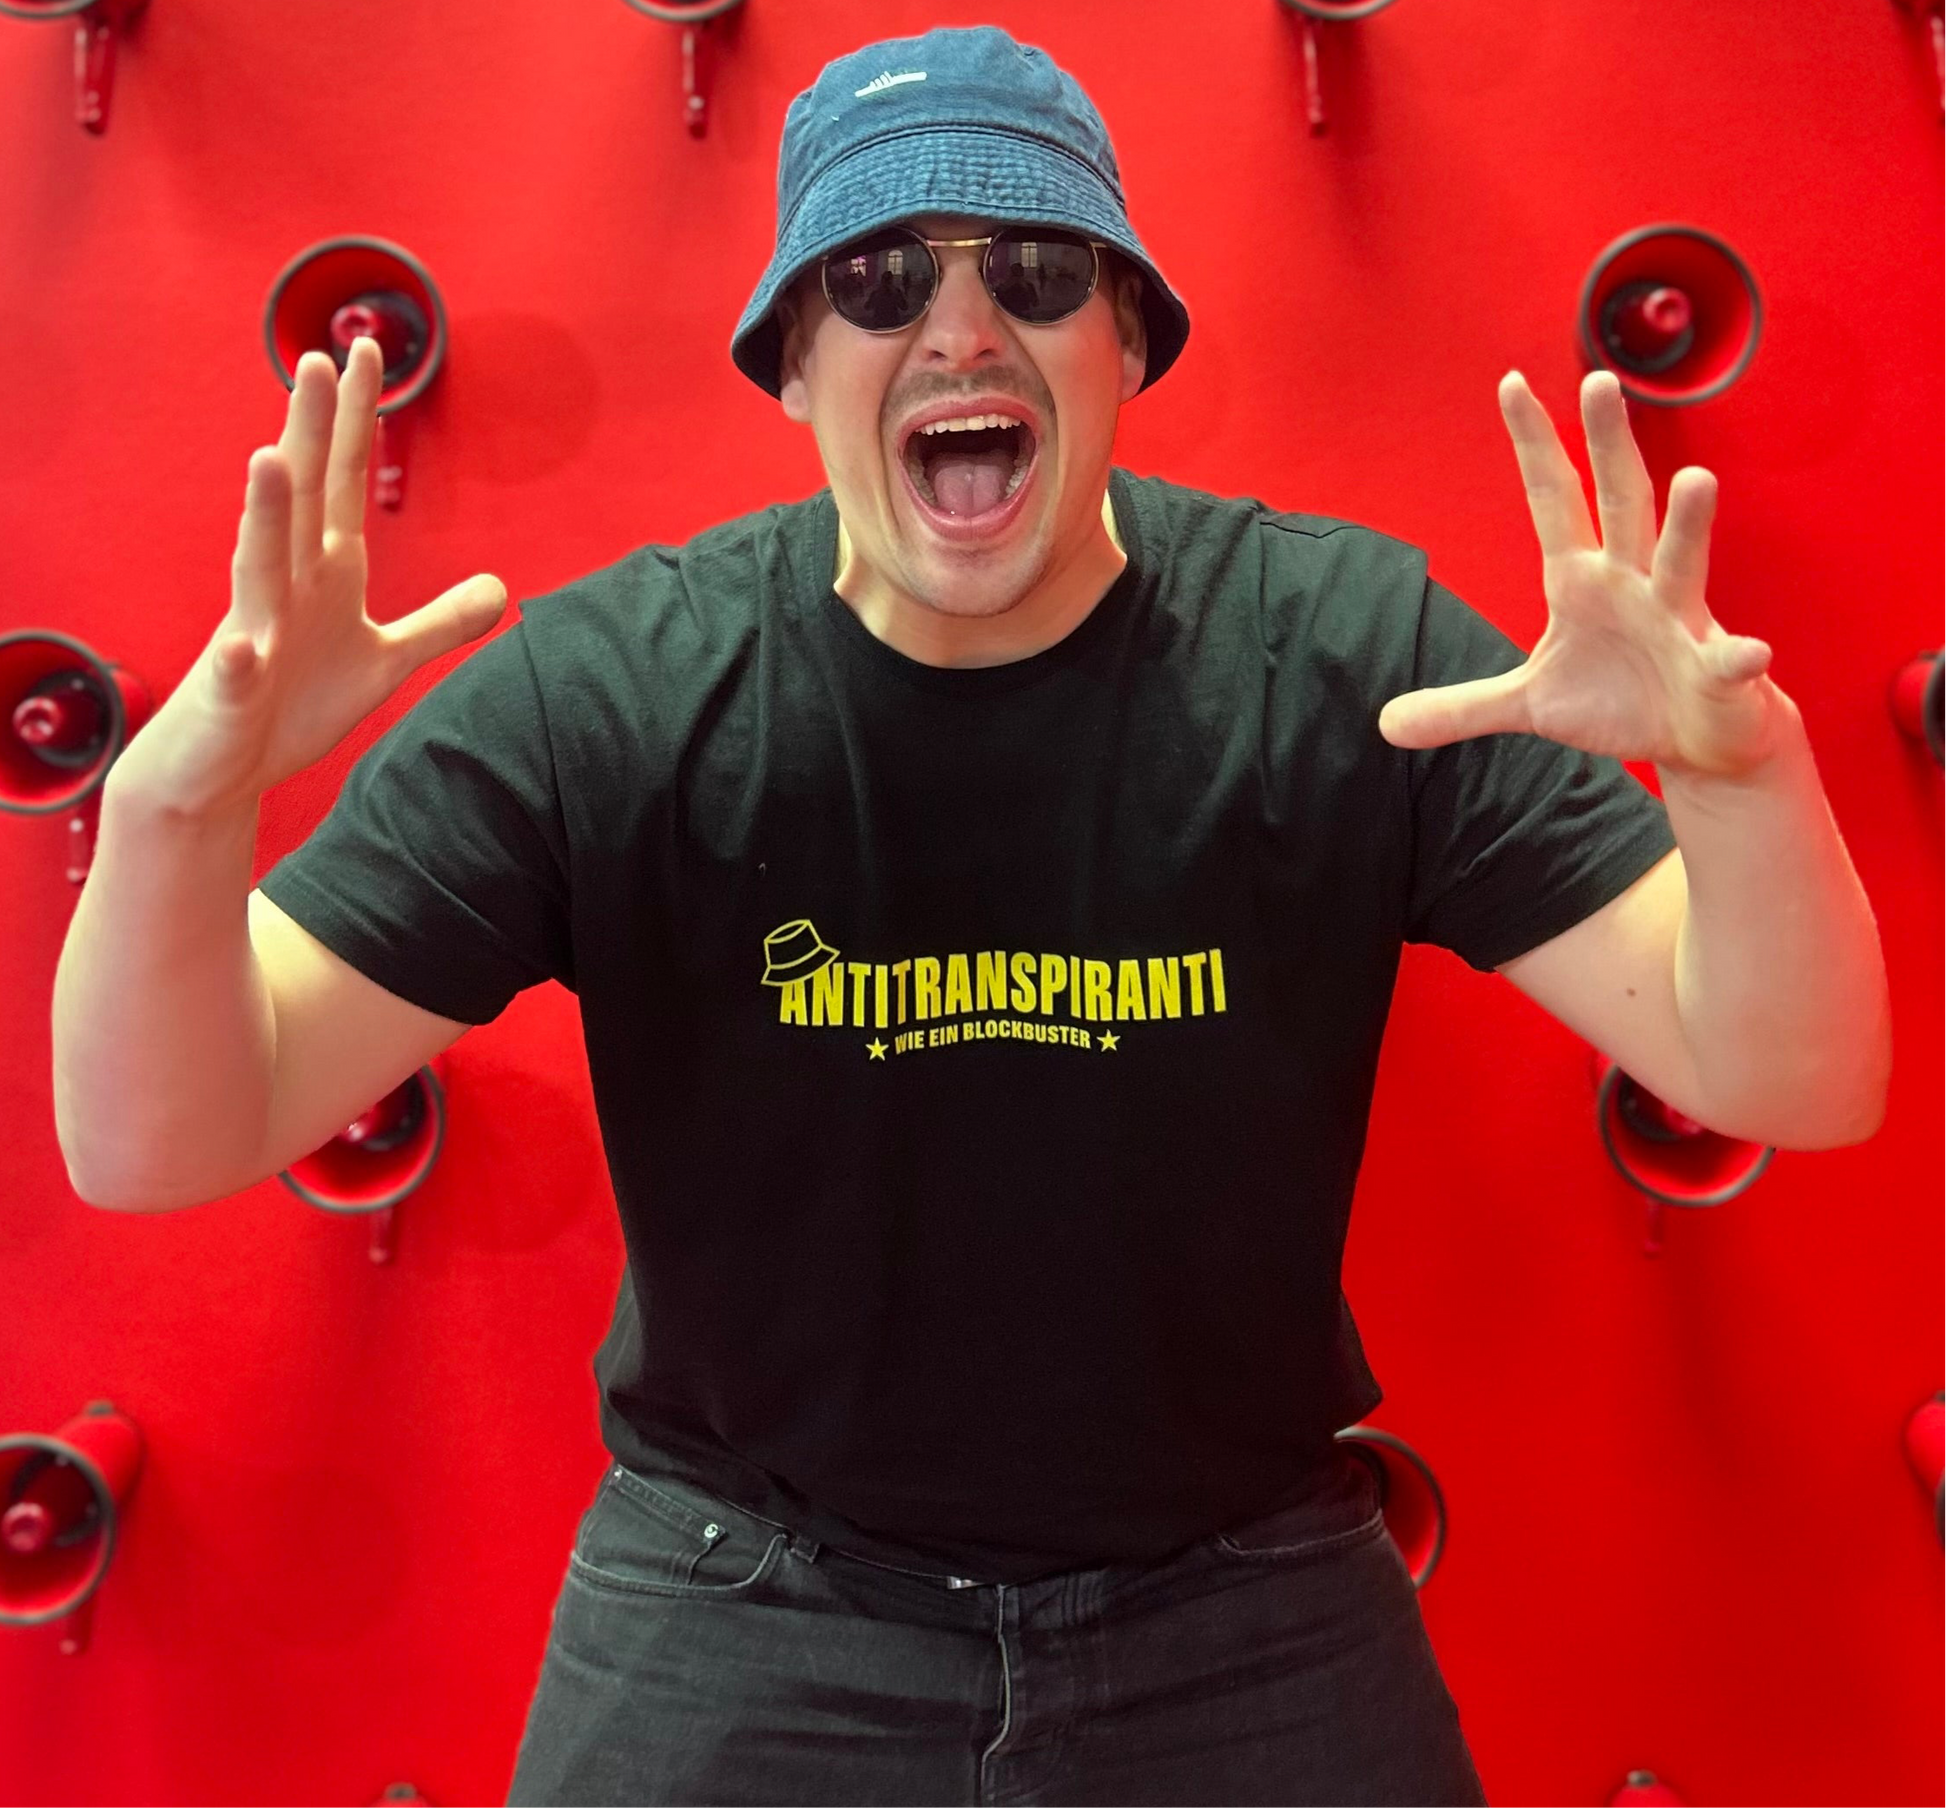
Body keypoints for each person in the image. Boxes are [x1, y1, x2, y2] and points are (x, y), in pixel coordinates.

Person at [53, 23, 1888, 1808]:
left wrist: (1741, 783)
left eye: (1032, 268)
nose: (955, 327)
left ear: (1124, 340)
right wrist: (171, 810)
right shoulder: (616, 693)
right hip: (744, 1593)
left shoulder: (1343, 656)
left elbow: (1788, 1076)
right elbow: (158, 1137)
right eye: (872, 281)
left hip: (1240, 1599)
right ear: (791, 360)